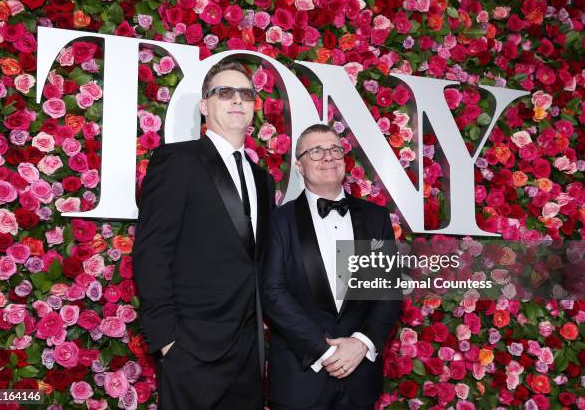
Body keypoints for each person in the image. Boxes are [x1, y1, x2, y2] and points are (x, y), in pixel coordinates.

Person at [133, 59, 275, 409]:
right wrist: (167, 341)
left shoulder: (263, 180)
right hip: (192, 348)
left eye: (246, 93)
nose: (237, 100)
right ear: (204, 106)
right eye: (224, 92)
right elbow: (152, 252)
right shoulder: (177, 161)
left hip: (249, 351)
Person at [262, 124, 402, 410]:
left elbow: (386, 291)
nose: (328, 157)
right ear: (300, 167)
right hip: (299, 380)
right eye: (316, 151)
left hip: (359, 379)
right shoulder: (279, 221)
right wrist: (323, 350)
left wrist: (361, 342)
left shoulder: (375, 218)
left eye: (335, 149)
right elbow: (272, 293)